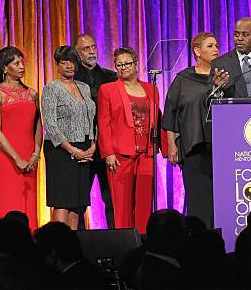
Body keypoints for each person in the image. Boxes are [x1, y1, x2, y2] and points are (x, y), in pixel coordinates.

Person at [98, 47, 167, 233]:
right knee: (122, 205)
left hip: (147, 153)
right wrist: (108, 153)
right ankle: (125, 244)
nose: (123, 68)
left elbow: (158, 118)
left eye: (127, 63)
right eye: (119, 65)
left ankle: (144, 240)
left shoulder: (151, 88)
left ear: (136, 65)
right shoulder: (108, 89)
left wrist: (165, 148)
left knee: (145, 202)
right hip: (121, 154)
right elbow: (103, 123)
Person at [163, 32, 219, 228]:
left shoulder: (222, 77)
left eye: (216, 45)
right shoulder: (183, 78)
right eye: (210, 46)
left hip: (220, 148)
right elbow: (170, 112)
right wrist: (171, 145)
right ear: (197, 51)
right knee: (198, 199)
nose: (216, 49)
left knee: (220, 200)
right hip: (193, 147)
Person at [42, 46, 96, 229]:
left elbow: (91, 118)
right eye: (63, 62)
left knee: (78, 203)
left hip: (84, 148)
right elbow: (49, 124)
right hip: (61, 150)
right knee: (63, 201)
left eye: (72, 61)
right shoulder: (51, 88)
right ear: (57, 65)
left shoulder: (84, 87)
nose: (68, 66)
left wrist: (93, 144)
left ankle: (73, 244)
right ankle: (59, 245)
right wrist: (72, 150)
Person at [0, 47, 42, 230]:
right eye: (16, 63)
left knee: (29, 201)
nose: (21, 66)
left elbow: (38, 125)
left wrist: (36, 153)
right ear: (4, 68)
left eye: (22, 62)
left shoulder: (32, 93)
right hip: (5, 155)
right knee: (9, 200)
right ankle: (7, 246)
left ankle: (30, 244)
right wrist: (16, 158)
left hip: (29, 155)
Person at [73, 34, 117, 229]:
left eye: (93, 47)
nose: (91, 51)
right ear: (76, 53)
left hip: (108, 146)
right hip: (82, 147)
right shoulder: (71, 78)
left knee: (112, 197)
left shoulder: (111, 77)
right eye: (85, 48)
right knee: (79, 199)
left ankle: (118, 239)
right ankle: (79, 241)